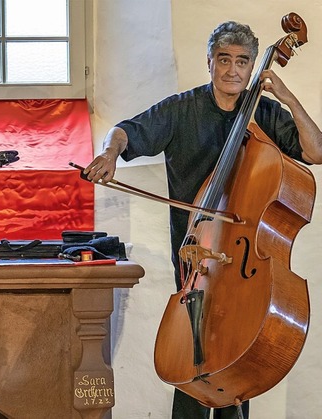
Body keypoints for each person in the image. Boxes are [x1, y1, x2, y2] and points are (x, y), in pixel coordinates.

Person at [84, 21, 322, 419]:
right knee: (191, 364)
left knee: (236, 362)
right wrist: (110, 153)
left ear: (251, 68)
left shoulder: (264, 111)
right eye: (224, 60)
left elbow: (315, 152)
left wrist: (287, 95)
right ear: (209, 62)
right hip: (195, 258)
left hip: (245, 270)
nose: (232, 70)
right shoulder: (182, 109)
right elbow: (125, 131)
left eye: (242, 62)